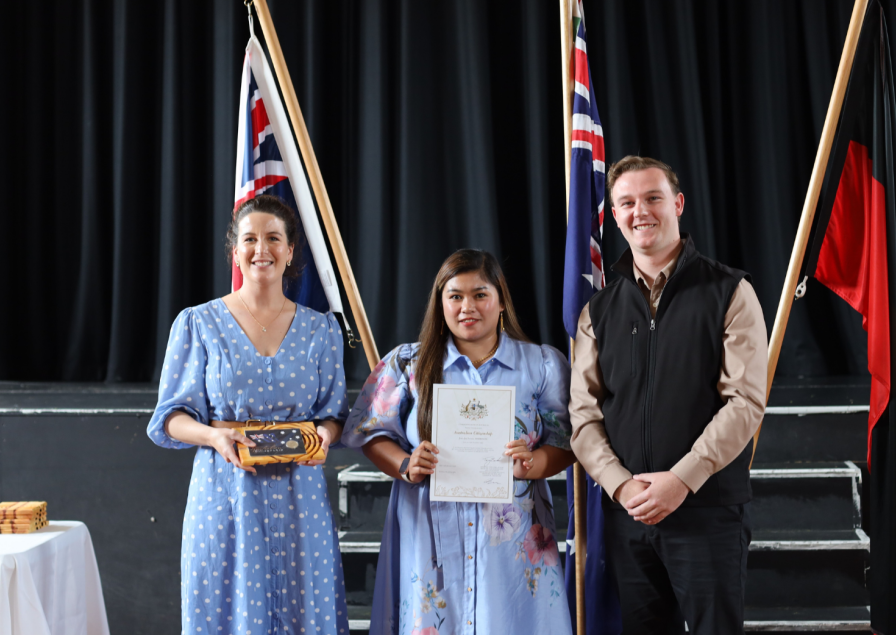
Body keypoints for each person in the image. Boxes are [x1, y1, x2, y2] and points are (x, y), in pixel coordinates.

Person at [569, 156, 767, 635]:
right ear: (614, 216)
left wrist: (682, 479)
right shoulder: (598, 311)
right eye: (627, 202)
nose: (642, 211)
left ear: (677, 203)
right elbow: (583, 416)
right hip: (628, 515)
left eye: (653, 197)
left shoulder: (730, 291)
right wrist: (620, 485)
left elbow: (744, 403)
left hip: (706, 511)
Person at [342, 249, 575, 635]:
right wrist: (405, 463)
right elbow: (369, 431)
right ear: (441, 303)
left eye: (480, 294)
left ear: (501, 300)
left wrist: (534, 463)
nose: (468, 307)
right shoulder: (408, 365)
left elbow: (568, 441)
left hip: (512, 542)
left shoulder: (542, 365)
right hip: (430, 532)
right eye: (455, 296)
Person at [147, 195, 351, 635]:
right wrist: (214, 437)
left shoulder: (322, 330)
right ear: (234, 250)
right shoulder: (198, 323)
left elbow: (334, 414)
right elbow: (168, 419)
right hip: (226, 490)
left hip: (302, 499)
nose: (262, 249)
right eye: (251, 239)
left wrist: (325, 437)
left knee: (305, 610)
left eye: (274, 238)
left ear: (291, 250)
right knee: (225, 611)